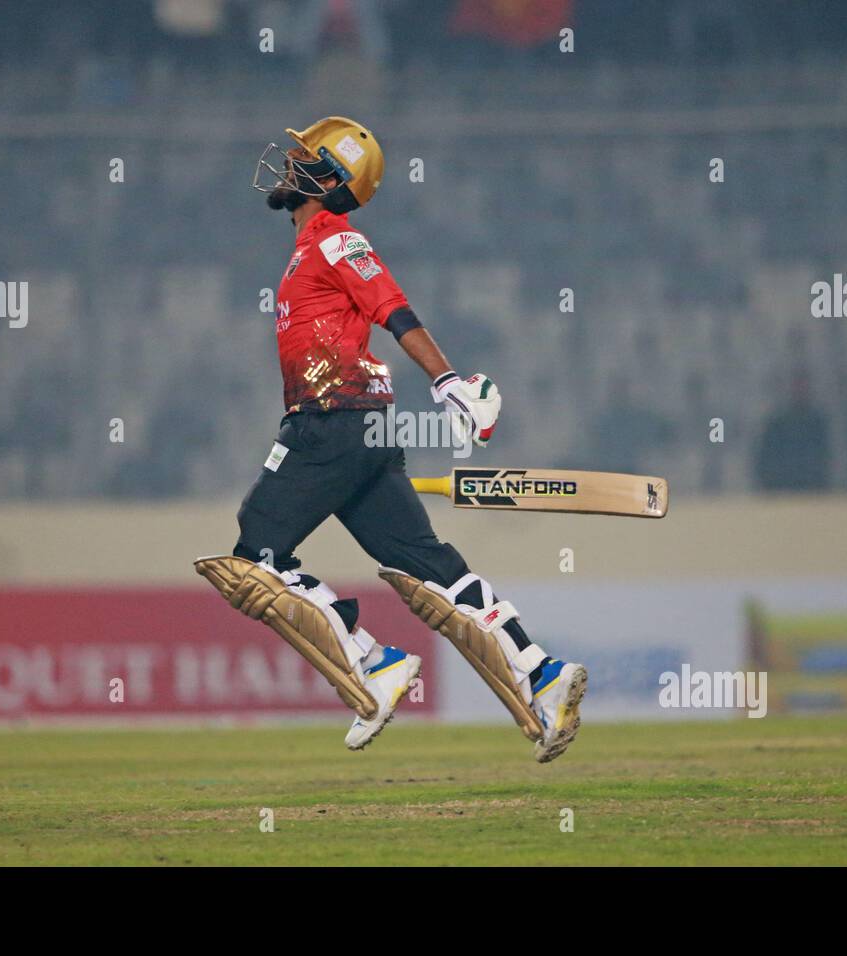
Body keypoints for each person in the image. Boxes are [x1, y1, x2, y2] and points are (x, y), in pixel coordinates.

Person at [195, 117, 587, 762]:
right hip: (362, 425)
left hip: (333, 420)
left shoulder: (332, 238)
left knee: (255, 555)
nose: (287, 164)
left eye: (303, 157)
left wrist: (447, 381)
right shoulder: (312, 245)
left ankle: (374, 666)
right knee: (425, 565)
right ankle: (543, 676)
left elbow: (391, 307)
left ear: (328, 178)